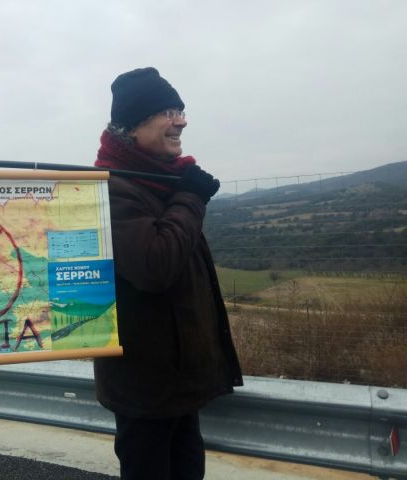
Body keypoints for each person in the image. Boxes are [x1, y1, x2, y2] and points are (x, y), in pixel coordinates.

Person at [93, 67, 243, 480]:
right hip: (145, 388)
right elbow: (156, 265)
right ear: (132, 126)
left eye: (181, 111)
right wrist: (191, 197)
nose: (181, 122)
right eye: (167, 112)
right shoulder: (111, 190)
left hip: (179, 383)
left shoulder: (162, 182)